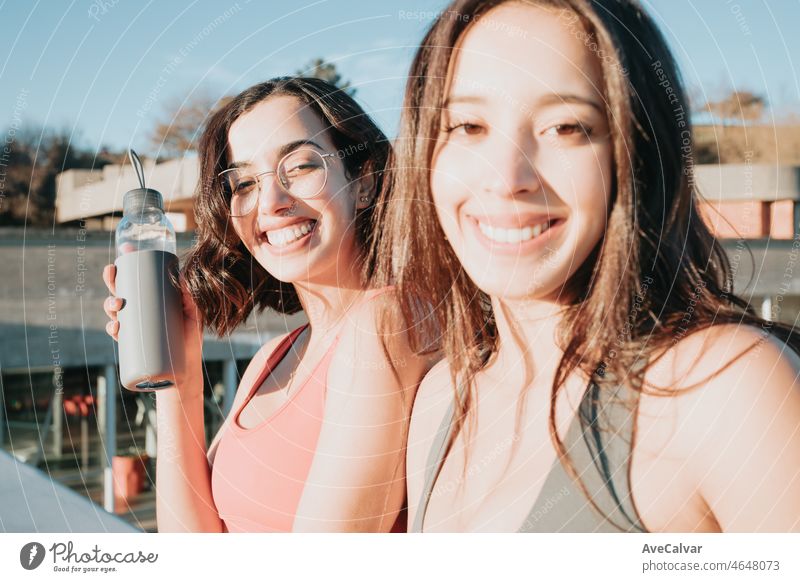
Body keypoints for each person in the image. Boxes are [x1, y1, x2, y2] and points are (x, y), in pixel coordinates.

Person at [370, 0, 800, 532]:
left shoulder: (723, 389)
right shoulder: (440, 397)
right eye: (468, 125)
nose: (507, 178)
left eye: (567, 127)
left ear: (636, 155)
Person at [103, 76, 435, 532]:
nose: (271, 202)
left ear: (364, 180)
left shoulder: (389, 321)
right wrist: (179, 382)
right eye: (243, 182)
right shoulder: (269, 361)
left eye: (299, 166)